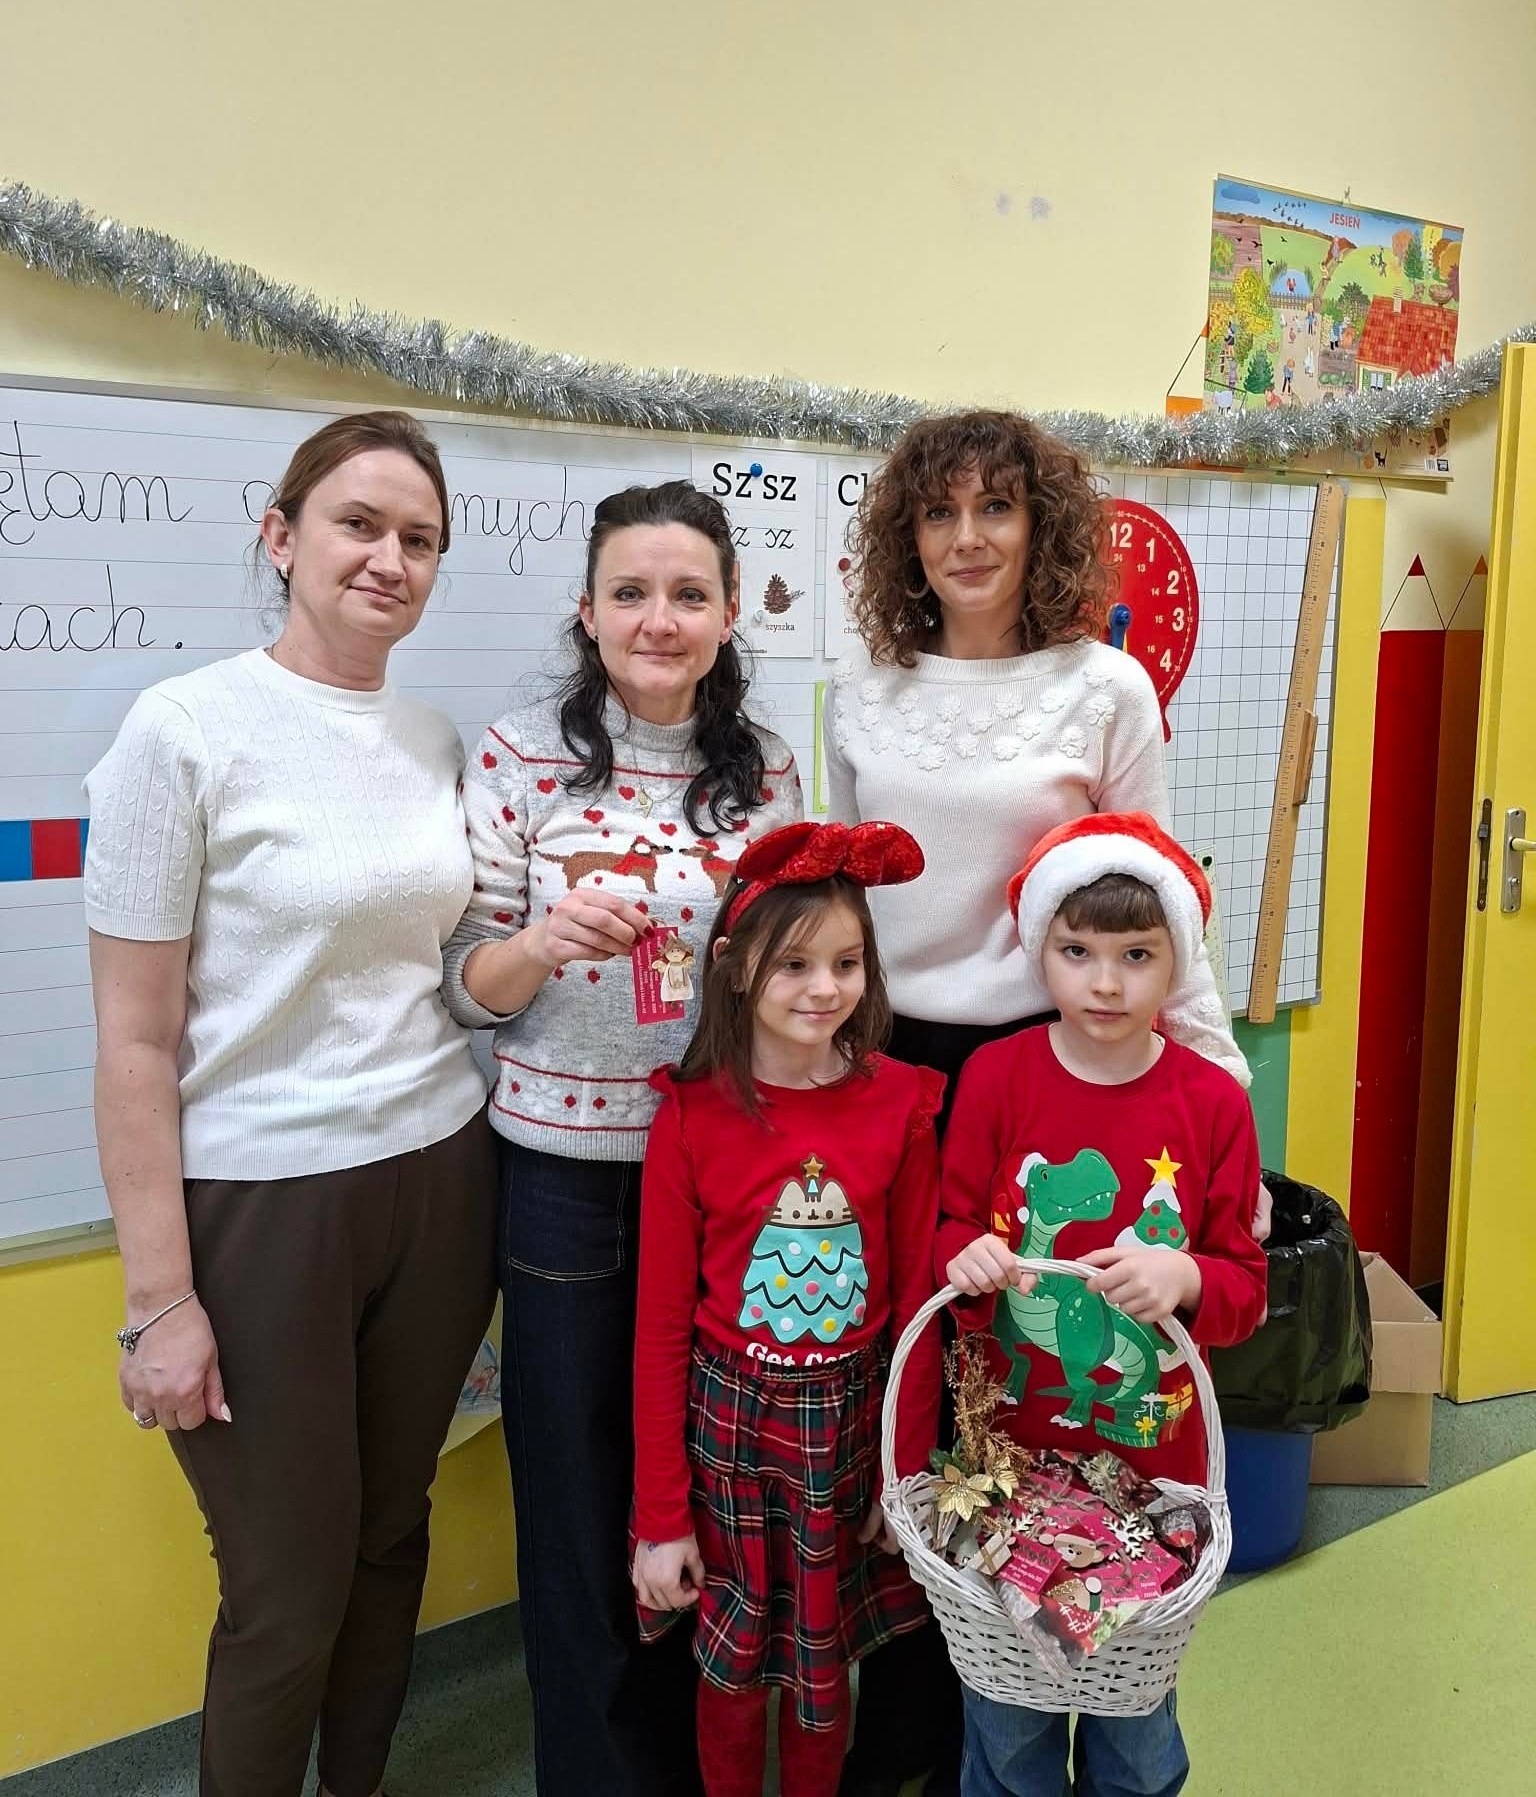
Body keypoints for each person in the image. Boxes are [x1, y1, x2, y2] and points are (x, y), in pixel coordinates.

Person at [823, 410, 1260, 1796]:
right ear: (906, 538)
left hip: (1041, 1065)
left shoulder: (1104, 691)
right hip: (889, 1067)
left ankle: (1045, 1681)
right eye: (937, 513)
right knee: (901, 1389)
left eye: (996, 510)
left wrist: (1222, 1095)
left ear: (1041, 528)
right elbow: (840, 904)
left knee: (1029, 1400)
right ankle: (915, 1729)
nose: (966, 539)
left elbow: (1146, 898)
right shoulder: (863, 688)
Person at [85, 410, 496, 1797]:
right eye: (357, 524)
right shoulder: (184, 731)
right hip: (262, 1207)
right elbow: (134, 1042)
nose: (389, 559)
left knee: (389, 1537)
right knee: (285, 1590)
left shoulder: (432, 738)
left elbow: (443, 963)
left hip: (440, 1177)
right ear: (281, 537)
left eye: (418, 539)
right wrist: (159, 1300)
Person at [441, 481, 803, 1795]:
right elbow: (463, 985)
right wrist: (541, 942)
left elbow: (795, 968)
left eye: (689, 594)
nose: (661, 619)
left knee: (712, 1478)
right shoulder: (521, 752)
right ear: (587, 611)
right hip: (564, 1184)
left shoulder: (767, 770)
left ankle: (705, 1761)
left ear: (727, 615)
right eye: (632, 592)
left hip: (728, 1179)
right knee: (578, 1498)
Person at [935, 813, 1269, 1797]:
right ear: (1041, 951)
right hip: (1007, 1475)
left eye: (1137, 955)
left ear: (1178, 963)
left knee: (1135, 1736)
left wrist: (1188, 1277)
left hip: (1152, 1484)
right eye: (1077, 952)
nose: (1107, 983)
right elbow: (946, 1229)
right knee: (1008, 1731)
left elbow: (1246, 1290)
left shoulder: (1213, 1103)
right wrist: (967, 1257)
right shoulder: (995, 1078)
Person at [630, 820, 944, 1797]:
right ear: (733, 968)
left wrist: (902, 1473)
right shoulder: (690, 1116)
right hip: (730, 1434)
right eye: (795, 964)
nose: (825, 988)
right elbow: (659, 1333)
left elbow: (914, 1309)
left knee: (821, 1671)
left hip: (848, 1433)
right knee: (729, 1674)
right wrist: (660, 1517)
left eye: (847, 962)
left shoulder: (900, 1104)